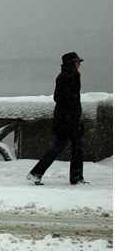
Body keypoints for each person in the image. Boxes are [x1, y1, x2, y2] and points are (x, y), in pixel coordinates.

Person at [27, 52, 86, 185]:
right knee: (70, 147)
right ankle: (74, 177)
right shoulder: (72, 76)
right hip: (69, 119)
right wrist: (74, 117)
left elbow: (59, 97)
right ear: (72, 63)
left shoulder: (64, 76)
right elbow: (70, 99)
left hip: (65, 118)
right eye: (77, 62)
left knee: (68, 147)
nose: (79, 64)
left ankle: (37, 173)